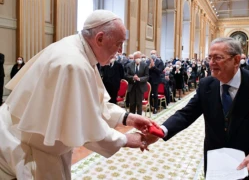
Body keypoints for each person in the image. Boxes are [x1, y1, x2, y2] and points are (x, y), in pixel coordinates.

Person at [0, 10, 157, 180]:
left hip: (41, 147)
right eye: (119, 43)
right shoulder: (74, 63)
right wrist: (126, 139)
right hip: (27, 149)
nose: (120, 51)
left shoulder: (80, 51)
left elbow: (92, 105)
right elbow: (85, 124)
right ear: (100, 38)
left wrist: (128, 118)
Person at [147, 37, 249, 179]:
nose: (211, 63)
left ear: (236, 60)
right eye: (209, 58)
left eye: (218, 58)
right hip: (216, 168)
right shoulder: (207, 84)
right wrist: (161, 130)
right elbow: (186, 114)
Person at [147, 50, 164, 114]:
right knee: (149, 94)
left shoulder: (160, 62)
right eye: (151, 53)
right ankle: (150, 106)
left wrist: (153, 67)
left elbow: (159, 71)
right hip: (149, 80)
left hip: (156, 80)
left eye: (153, 53)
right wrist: (149, 67)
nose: (152, 55)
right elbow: (146, 70)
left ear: (156, 54)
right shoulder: (147, 61)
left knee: (155, 94)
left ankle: (155, 108)